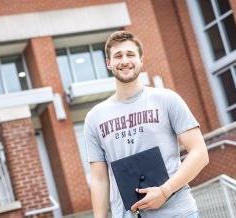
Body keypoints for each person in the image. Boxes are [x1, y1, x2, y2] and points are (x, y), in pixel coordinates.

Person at [84, 30, 209, 218]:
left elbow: (200, 153)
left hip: (177, 213)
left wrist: (165, 191)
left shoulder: (167, 99)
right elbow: (99, 178)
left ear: (141, 60)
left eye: (130, 54)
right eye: (118, 56)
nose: (124, 60)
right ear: (108, 63)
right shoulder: (94, 117)